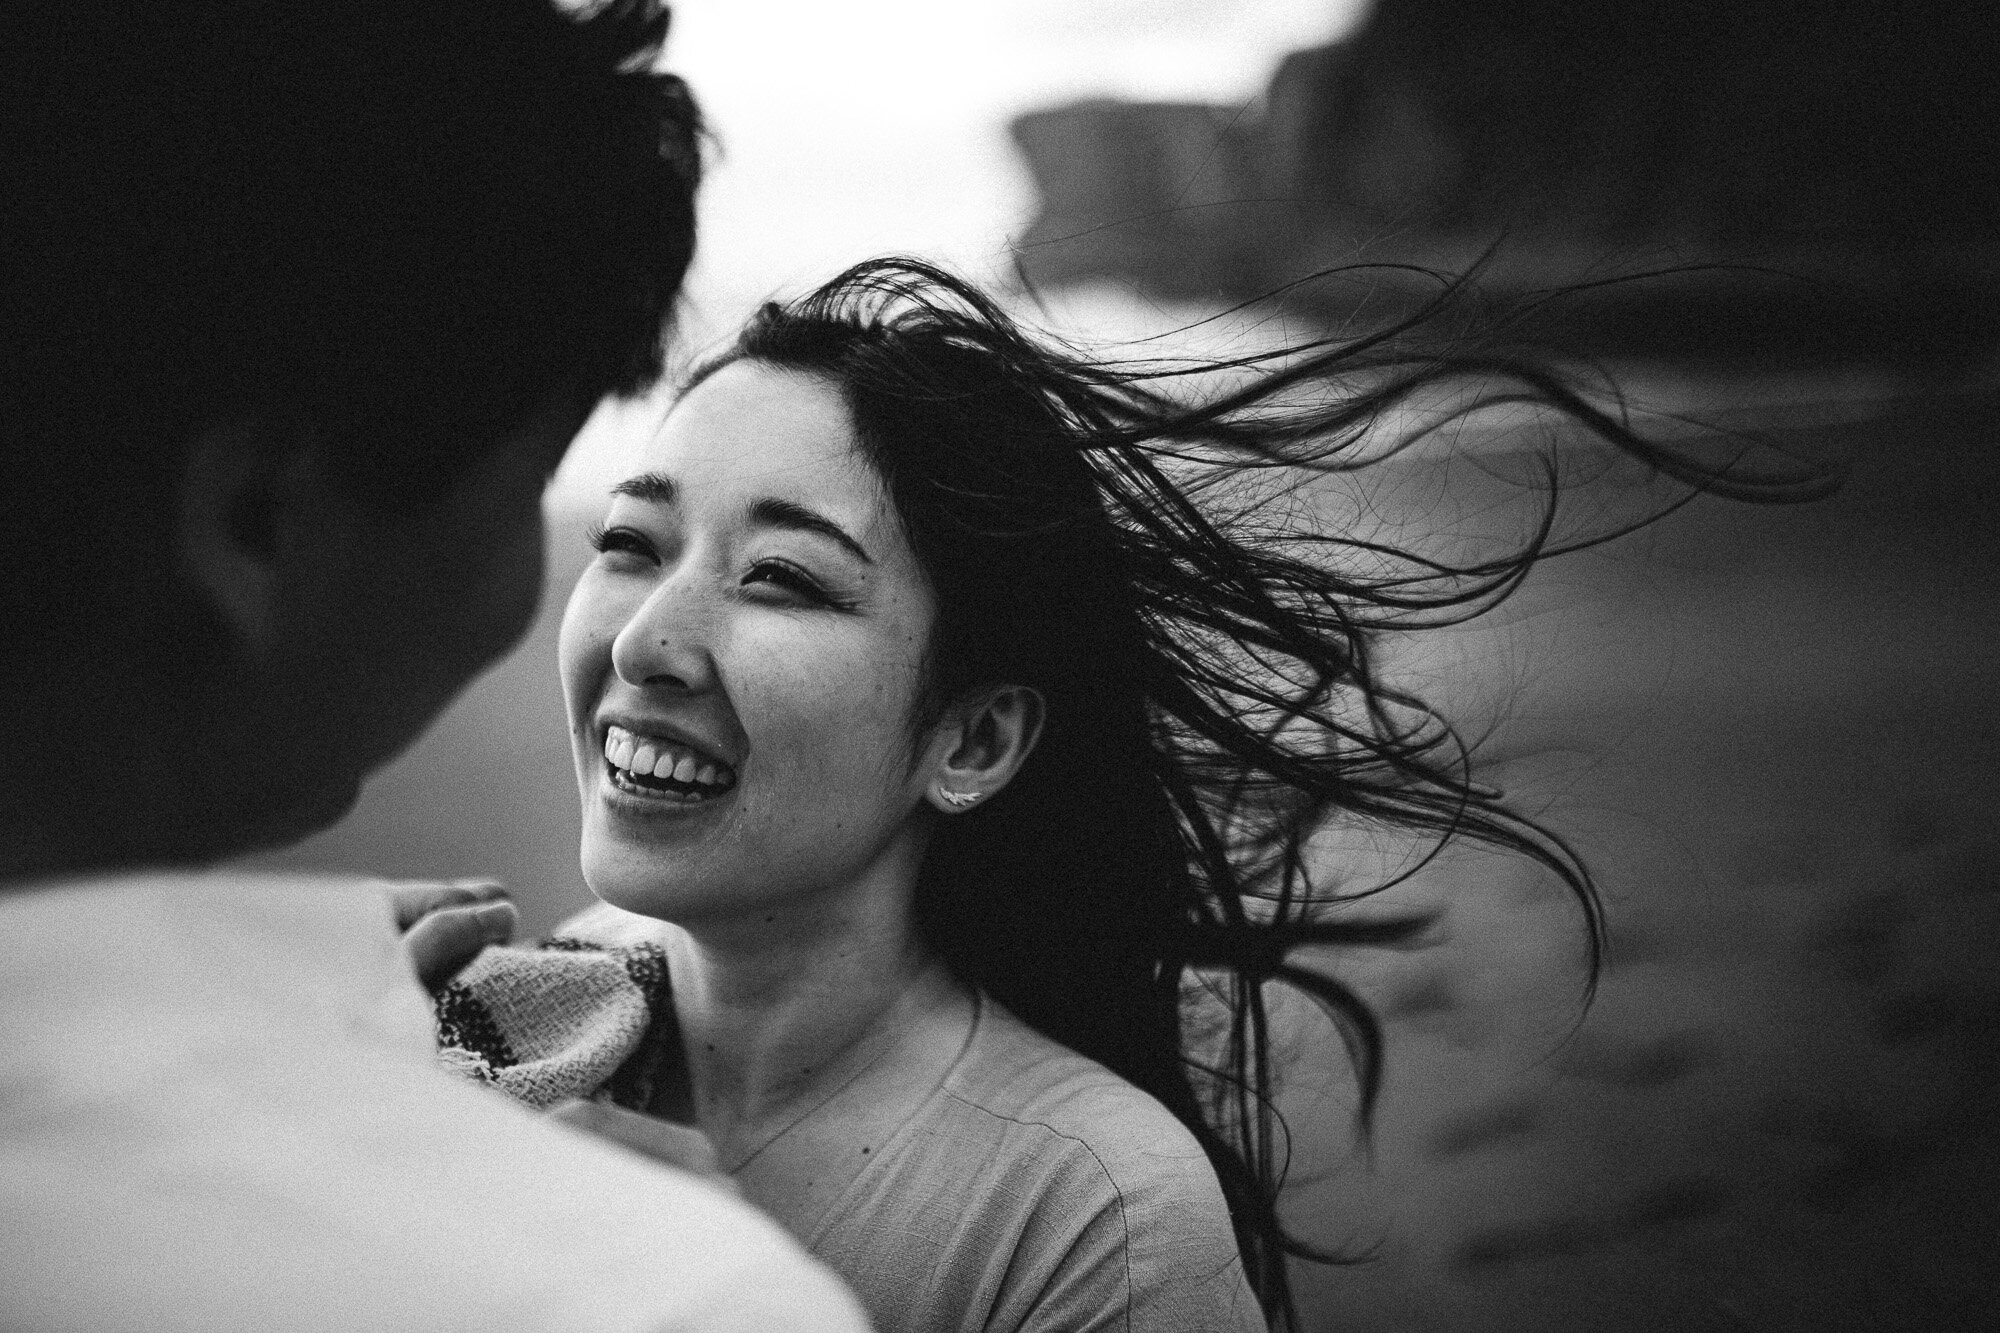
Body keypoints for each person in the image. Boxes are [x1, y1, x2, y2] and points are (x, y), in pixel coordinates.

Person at [431, 257, 1832, 1330]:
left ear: (972, 739)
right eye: (631, 540)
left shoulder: (1096, 1216)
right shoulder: (523, 1021)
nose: (647, 641)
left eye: (784, 578)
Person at [0, 3, 868, 1329]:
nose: (643, 638)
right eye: (552, 486)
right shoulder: (659, 1295)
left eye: (786, 578)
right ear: (258, 523)